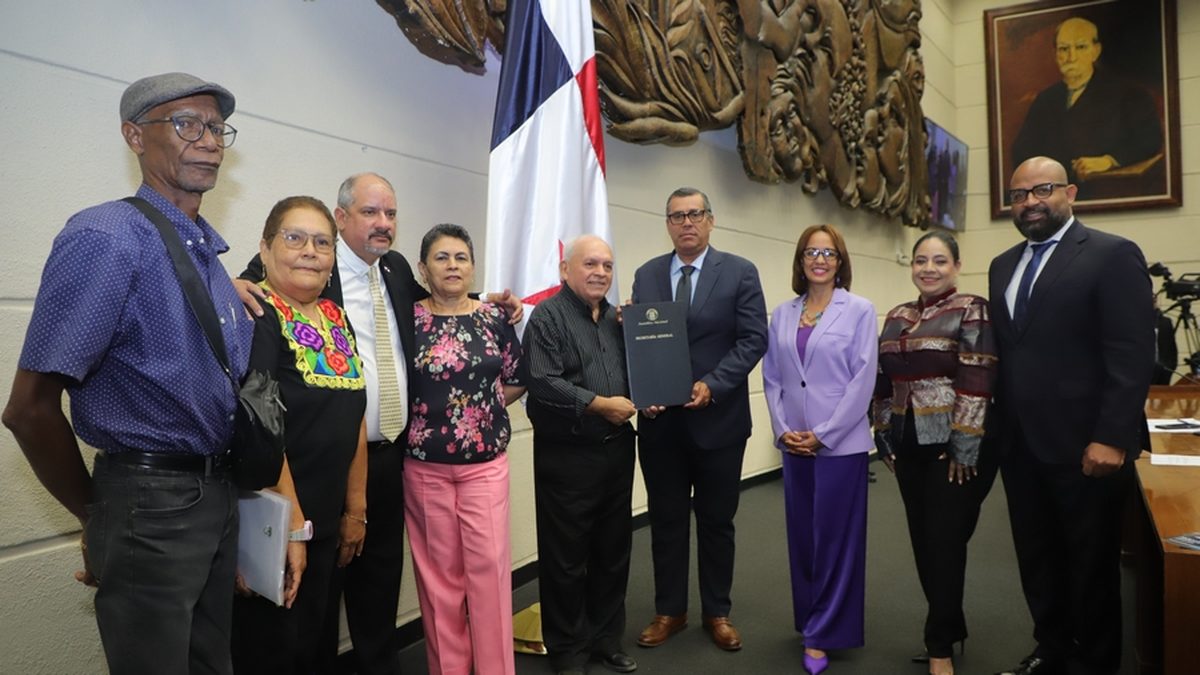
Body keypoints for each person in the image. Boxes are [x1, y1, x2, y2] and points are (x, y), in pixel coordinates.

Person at [2, 72, 250, 674]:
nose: (209, 140)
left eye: (217, 128)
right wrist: (98, 514)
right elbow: (28, 409)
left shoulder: (207, 255)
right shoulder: (109, 236)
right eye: (187, 124)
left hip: (214, 494)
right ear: (135, 136)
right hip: (150, 501)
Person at [236, 173, 523, 673]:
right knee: (313, 606)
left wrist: (496, 304)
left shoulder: (392, 270)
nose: (383, 224)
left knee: (379, 591)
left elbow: (446, 297)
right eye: (371, 213)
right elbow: (260, 279)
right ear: (341, 216)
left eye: (390, 214)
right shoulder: (304, 282)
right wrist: (229, 285)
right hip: (307, 472)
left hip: (391, 459)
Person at [988, 156, 1154, 675]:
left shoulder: (1111, 254)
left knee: (1092, 565)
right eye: (1018, 195)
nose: (1030, 202)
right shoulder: (1002, 265)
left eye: (1042, 190)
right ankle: (1052, 648)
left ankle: (1099, 662)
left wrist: (1111, 436)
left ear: (1071, 193)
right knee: (1038, 559)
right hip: (1020, 447)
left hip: (1088, 448)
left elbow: (1131, 354)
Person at [231, 196, 368, 673]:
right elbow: (263, 430)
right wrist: (293, 526)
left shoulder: (336, 317)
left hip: (327, 521)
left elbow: (356, 414)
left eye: (322, 241)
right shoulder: (256, 316)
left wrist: (357, 508)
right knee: (274, 650)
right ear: (265, 249)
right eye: (294, 238)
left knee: (316, 646)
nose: (310, 250)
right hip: (277, 521)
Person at [631, 187, 768, 652]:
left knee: (716, 522)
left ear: (711, 220)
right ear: (667, 223)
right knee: (666, 521)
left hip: (720, 423)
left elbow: (753, 339)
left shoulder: (739, 272)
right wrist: (643, 393)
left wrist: (714, 383)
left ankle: (718, 611)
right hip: (660, 427)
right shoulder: (646, 275)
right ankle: (670, 609)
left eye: (695, 214)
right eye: (677, 216)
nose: (686, 223)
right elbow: (639, 345)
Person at [873, 231, 999, 675]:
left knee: (945, 545)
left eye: (940, 260)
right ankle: (951, 624)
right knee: (925, 544)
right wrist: (883, 435)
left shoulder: (971, 308)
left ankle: (939, 643)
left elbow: (978, 378)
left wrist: (964, 448)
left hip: (957, 448)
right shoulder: (897, 314)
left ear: (957, 266)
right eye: (921, 260)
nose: (929, 268)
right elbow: (882, 381)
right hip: (909, 446)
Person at [404, 224, 526, 675]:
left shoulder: (495, 317)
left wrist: (478, 408)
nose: (452, 266)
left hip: (484, 467)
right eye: (441, 257)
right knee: (440, 587)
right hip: (424, 470)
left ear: (473, 267)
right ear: (423, 268)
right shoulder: (407, 318)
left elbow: (515, 377)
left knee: (489, 579)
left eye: (461, 257)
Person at [761, 225, 877, 675]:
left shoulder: (860, 311)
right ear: (801, 260)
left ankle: (825, 632)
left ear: (841, 260)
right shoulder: (783, 313)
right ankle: (809, 619)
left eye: (829, 252)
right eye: (811, 251)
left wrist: (824, 433)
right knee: (804, 541)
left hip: (840, 447)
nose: (820, 259)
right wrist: (783, 428)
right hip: (794, 446)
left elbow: (862, 380)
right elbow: (772, 377)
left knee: (835, 542)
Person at [524, 235, 639, 675]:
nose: (600, 273)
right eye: (590, 264)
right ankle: (568, 650)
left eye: (607, 266)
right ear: (565, 270)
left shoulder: (615, 319)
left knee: (613, 551)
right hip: (567, 455)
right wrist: (598, 404)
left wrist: (645, 393)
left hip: (616, 452)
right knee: (566, 558)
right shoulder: (547, 318)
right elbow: (543, 381)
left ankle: (606, 639)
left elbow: (636, 372)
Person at [1010, 17, 1163, 197]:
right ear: (1055, 54)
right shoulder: (1045, 99)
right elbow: (1021, 151)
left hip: (1109, 195)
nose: (1071, 57)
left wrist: (1109, 161)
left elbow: (1149, 139)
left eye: (1080, 47)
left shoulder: (1129, 94)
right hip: (1054, 201)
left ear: (1095, 51)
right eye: (1064, 49)